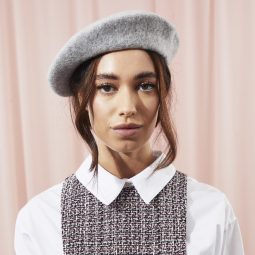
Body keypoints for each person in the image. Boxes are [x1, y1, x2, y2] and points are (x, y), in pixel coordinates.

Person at [14, 10, 244, 254]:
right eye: (106, 87)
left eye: (145, 86)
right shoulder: (41, 220)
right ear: (83, 97)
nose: (128, 107)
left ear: (162, 95)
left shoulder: (212, 212)